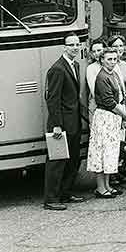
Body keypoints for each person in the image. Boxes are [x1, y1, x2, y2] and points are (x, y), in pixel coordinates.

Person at [44, 33, 85, 210]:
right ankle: (51, 199)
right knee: (57, 162)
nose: (75, 47)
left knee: (73, 160)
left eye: (77, 44)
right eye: (71, 45)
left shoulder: (75, 65)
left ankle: (65, 193)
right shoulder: (57, 69)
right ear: (64, 47)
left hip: (73, 123)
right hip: (60, 125)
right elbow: (52, 99)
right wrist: (57, 125)